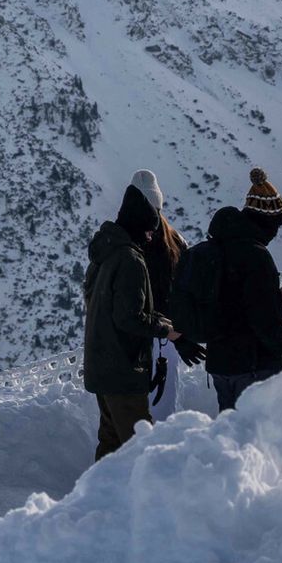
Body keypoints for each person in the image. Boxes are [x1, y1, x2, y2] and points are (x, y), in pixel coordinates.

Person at [183, 170, 282, 411]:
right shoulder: (256, 256)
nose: (275, 234)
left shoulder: (217, 248)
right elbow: (261, 315)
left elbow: (231, 301)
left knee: (230, 437)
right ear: (265, 221)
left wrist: (276, 298)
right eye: (275, 225)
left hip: (220, 363)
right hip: (252, 364)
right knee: (252, 438)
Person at [83, 182, 179, 460]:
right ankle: (142, 502)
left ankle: (98, 499)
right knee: (139, 447)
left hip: (101, 364)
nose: (151, 237)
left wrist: (155, 318)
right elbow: (129, 318)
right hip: (123, 369)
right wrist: (164, 329)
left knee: (111, 443)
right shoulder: (130, 260)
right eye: (149, 230)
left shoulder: (104, 252)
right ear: (139, 227)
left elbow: (108, 306)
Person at [129, 170, 202, 416]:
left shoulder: (128, 244)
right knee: (165, 405)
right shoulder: (176, 241)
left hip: (140, 335)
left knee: (139, 409)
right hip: (170, 335)